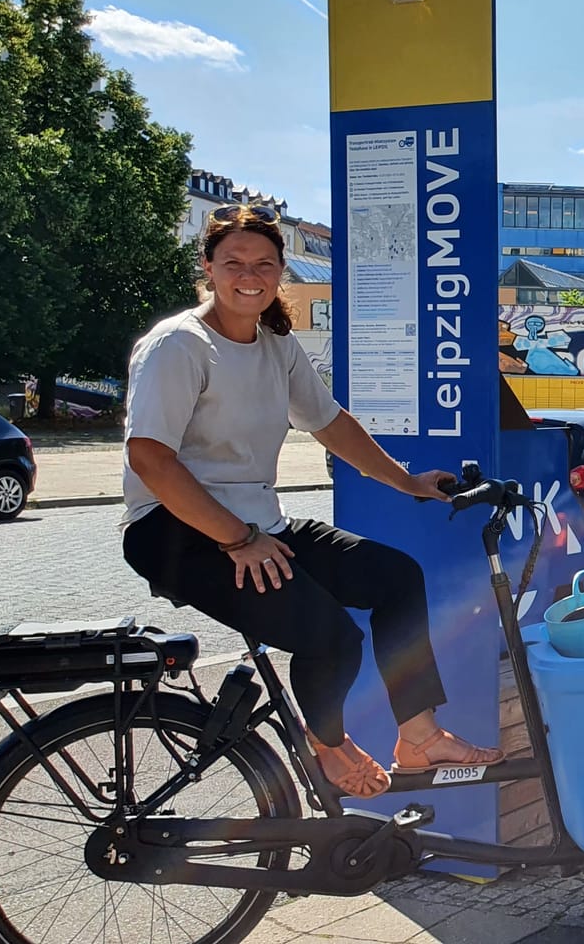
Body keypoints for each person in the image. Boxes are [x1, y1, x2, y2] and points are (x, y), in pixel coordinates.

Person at [121, 204, 502, 801]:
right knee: (330, 636)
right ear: (208, 267)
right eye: (234, 263)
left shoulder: (278, 346)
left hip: (255, 525)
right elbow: (150, 459)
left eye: (264, 263)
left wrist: (406, 482)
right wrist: (237, 540)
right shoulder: (179, 346)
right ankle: (326, 745)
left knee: (395, 577)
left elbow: (330, 423)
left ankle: (419, 735)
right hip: (175, 530)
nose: (250, 275)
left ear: (280, 273)